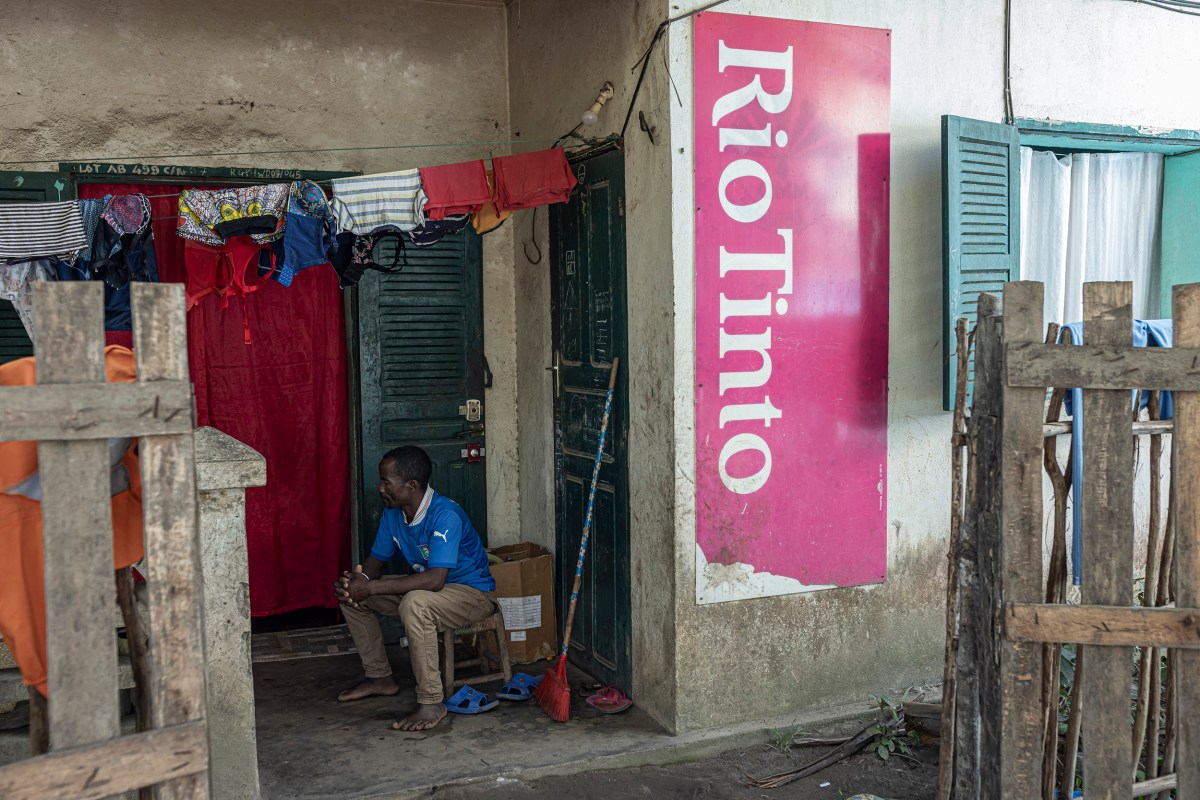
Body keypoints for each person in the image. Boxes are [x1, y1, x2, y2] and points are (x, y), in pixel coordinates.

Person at [334, 445, 496, 731]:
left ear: (411, 486)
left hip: (473, 595)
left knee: (414, 602)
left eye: (386, 482)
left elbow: (435, 580)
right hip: (429, 594)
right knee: (352, 598)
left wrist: (371, 589)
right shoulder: (393, 514)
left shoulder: (445, 514)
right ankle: (381, 678)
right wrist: (359, 584)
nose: (380, 488)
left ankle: (432, 701)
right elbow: (374, 564)